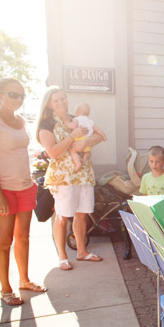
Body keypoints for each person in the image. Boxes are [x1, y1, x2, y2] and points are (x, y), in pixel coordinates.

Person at [0, 78, 46, 305]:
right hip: (2, 189)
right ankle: (6, 289)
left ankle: (24, 280)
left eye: (22, 95)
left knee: (23, 237)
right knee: (4, 241)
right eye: (13, 94)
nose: (18, 99)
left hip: (24, 187)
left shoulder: (21, 120)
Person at [36, 87, 105, 270]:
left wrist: (85, 142)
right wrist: (72, 137)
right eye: (56, 100)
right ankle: (62, 256)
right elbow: (53, 152)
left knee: (82, 213)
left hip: (83, 174)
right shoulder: (47, 124)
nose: (61, 103)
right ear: (49, 104)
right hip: (63, 177)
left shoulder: (75, 118)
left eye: (63, 98)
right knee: (62, 216)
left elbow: (98, 135)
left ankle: (82, 251)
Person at [65, 102, 107, 172]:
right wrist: (104, 136)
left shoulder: (77, 119)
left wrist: (67, 124)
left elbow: (74, 126)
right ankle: (84, 160)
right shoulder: (90, 121)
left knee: (72, 151)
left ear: (77, 112)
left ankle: (78, 162)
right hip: (88, 141)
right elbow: (98, 130)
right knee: (87, 152)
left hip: (79, 139)